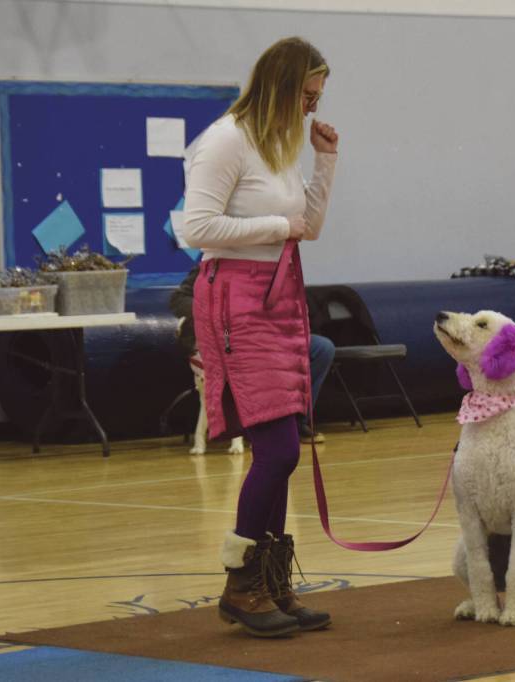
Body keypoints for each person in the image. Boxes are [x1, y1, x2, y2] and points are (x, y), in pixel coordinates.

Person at [181, 36, 338, 638]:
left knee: (281, 450)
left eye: (317, 98)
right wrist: (278, 223)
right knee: (279, 450)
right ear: (280, 85)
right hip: (234, 300)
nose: (310, 109)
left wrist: (325, 160)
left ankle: (269, 582)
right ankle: (241, 585)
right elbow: (196, 225)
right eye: (306, 95)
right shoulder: (224, 140)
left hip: (277, 294)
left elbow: (310, 228)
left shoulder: (279, 146)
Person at [169, 265, 334, 444]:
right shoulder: (214, 262)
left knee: (322, 348)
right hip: (232, 340)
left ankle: (297, 421)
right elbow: (178, 299)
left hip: (270, 334)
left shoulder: (271, 264)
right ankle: (257, 424)